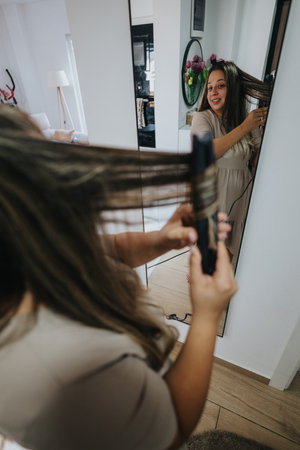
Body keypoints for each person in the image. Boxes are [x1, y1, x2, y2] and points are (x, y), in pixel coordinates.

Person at [0, 105, 236, 450]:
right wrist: (207, 315)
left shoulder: (39, 253)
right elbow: (171, 430)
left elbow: (112, 250)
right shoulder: (67, 374)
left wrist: (161, 237)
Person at [191, 60, 272, 268]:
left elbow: (254, 160)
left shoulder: (246, 120)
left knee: (234, 260)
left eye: (221, 85)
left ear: (233, 88)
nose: (213, 92)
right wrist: (246, 126)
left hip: (241, 198)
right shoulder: (202, 119)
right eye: (209, 87)